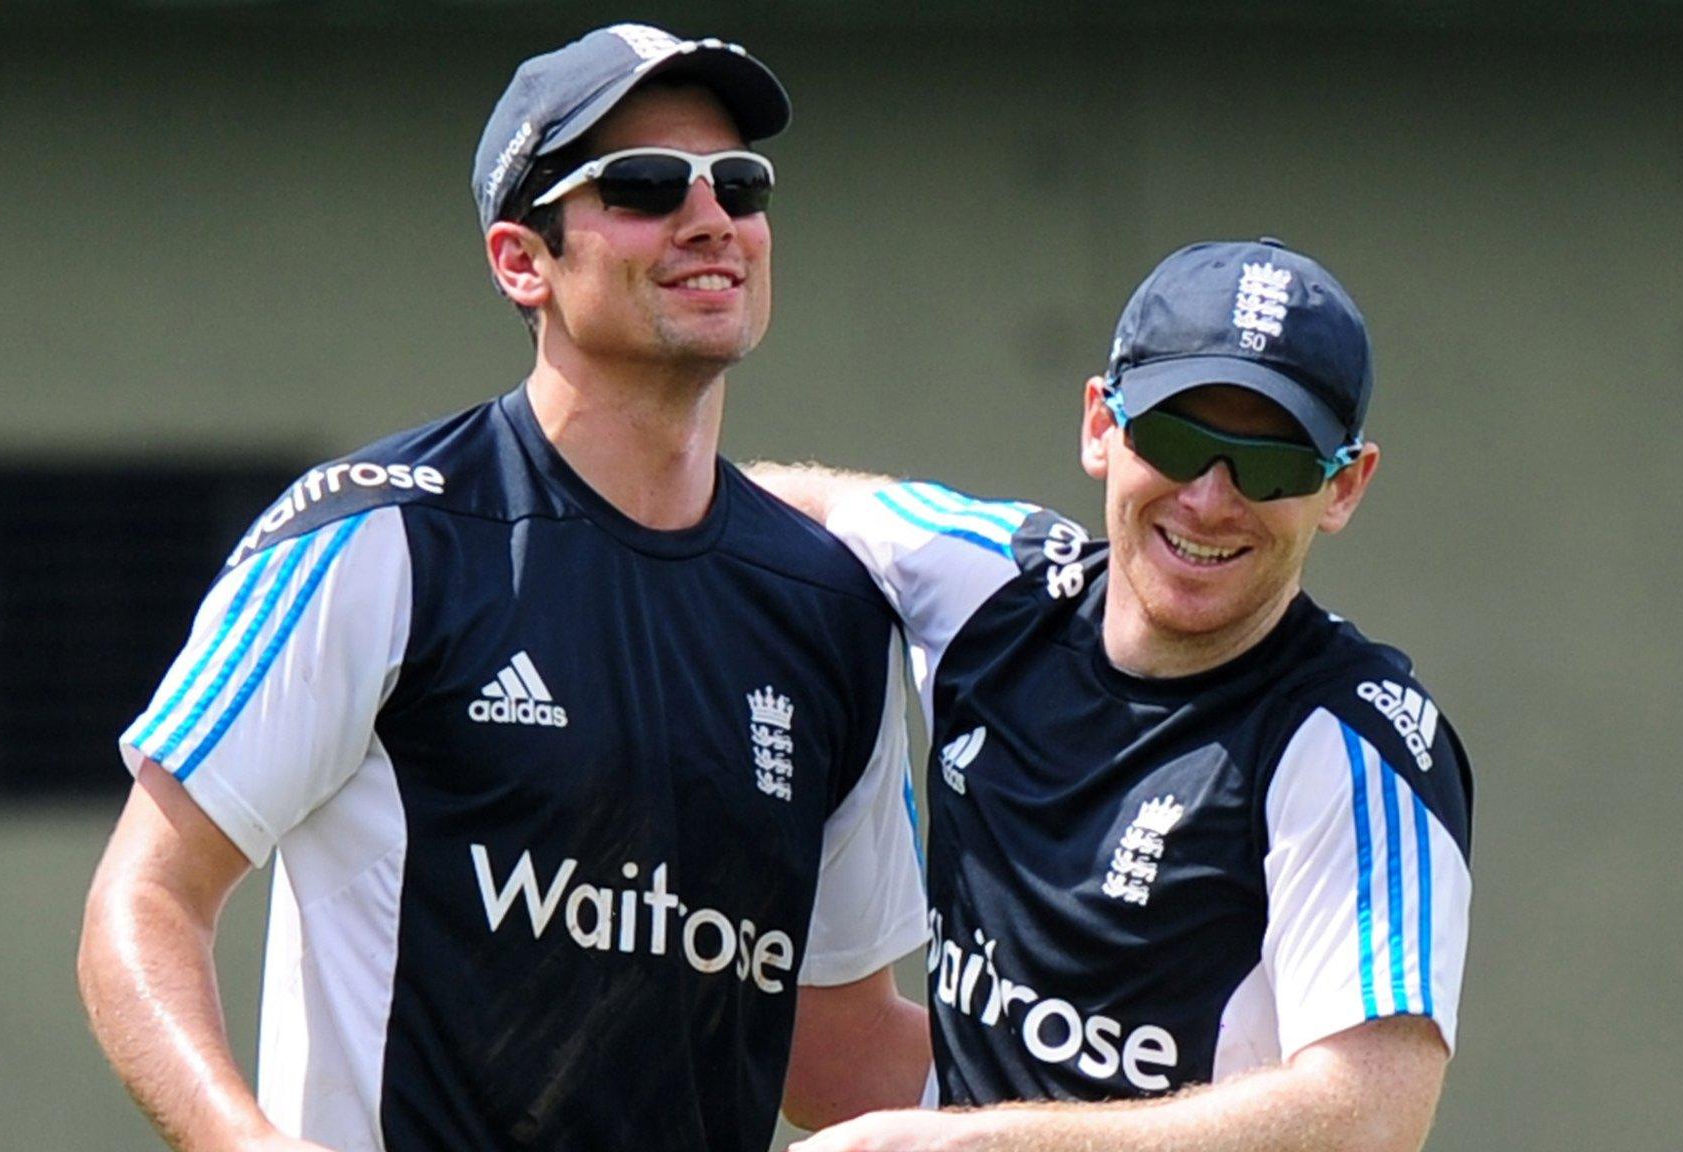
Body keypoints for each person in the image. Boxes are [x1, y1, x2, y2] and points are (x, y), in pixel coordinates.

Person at [76, 24, 929, 1152]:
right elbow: (142, 905)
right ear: (522, 260)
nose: (711, 216)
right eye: (641, 186)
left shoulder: (828, 609)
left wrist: (1170, 1114)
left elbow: (832, 1047)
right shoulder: (380, 536)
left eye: (739, 184)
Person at [751, 240, 1474, 1151]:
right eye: (1177, 438)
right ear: (1101, 426)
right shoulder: (995, 585)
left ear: (1342, 487)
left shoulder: (1353, 741)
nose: (1211, 500)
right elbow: (770, 512)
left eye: (1273, 464)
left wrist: (974, 1147)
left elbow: (1371, 1118)